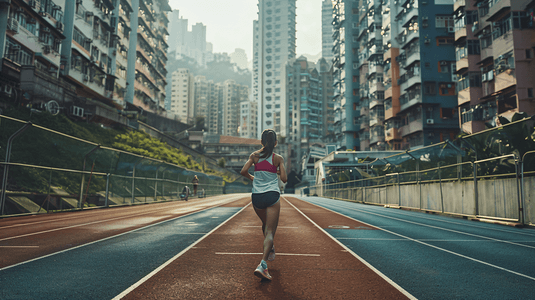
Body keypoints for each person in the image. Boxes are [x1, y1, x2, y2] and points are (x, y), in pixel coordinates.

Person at [240, 129, 287, 281]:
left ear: (261, 142)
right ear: (275, 143)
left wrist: (253, 177)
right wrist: (278, 170)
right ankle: (263, 265)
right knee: (270, 231)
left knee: (265, 225)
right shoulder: (278, 158)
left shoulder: (254, 156)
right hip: (272, 196)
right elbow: (285, 179)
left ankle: (270, 247)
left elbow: (243, 171)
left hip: (257, 198)